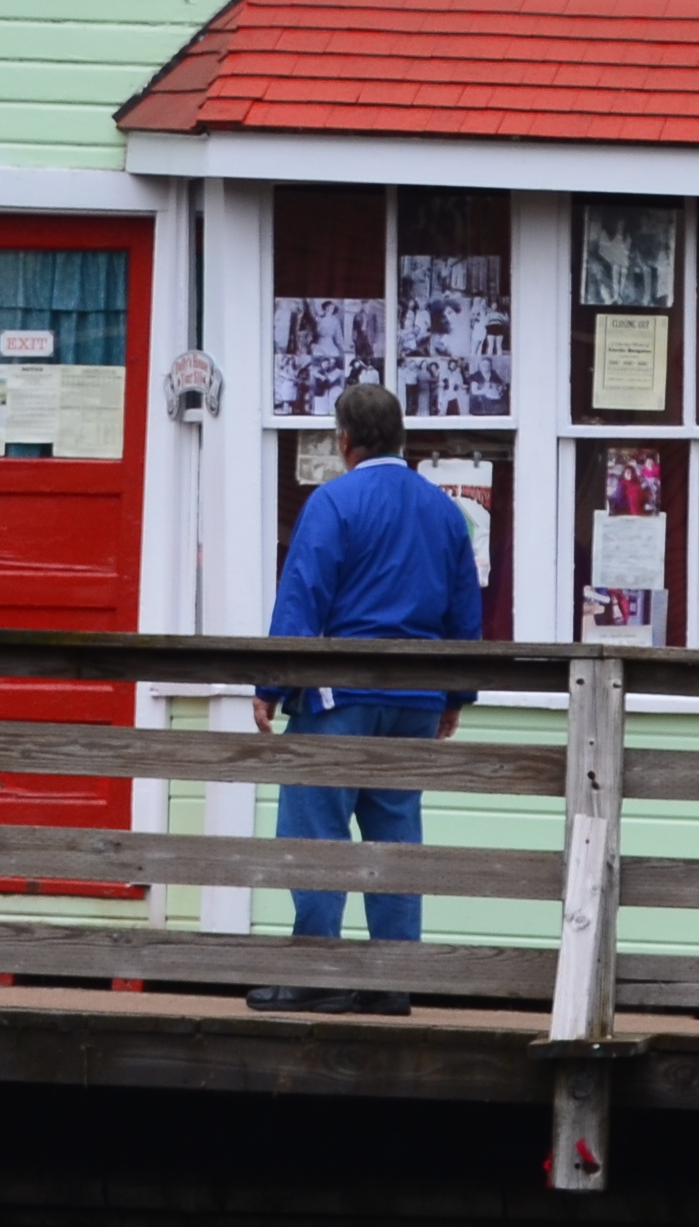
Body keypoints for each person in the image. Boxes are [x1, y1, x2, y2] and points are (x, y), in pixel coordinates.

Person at [250, 377, 481, 1015]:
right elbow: (465, 612)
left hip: (339, 696)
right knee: (395, 835)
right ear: (401, 439)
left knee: (317, 830)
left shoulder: (333, 502)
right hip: (415, 699)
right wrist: (455, 695)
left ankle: (318, 971)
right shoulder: (443, 511)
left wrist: (270, 684)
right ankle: (392, 979)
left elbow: (302, 601)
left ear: (344, 439)